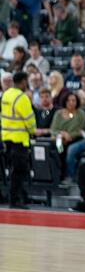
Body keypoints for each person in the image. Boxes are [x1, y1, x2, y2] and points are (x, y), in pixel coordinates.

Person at [1, 71, 36, 207]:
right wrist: (33, 131)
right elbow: (29, 120)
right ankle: (14, 200)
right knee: (19, 171)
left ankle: (18, 197)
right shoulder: (22, 98)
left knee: (13, 170)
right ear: (22, 82)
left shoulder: (6, 94)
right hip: (19, 139)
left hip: (7, 137)